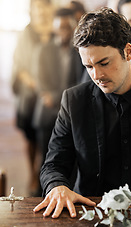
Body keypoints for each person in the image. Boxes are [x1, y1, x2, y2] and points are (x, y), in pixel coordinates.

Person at [33, 7, 131, 219]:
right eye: (88, 66)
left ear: (128, 52)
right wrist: (57, 186)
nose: (96, 75)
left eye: (104, 63)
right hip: (92, 214)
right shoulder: (74, 101)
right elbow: (53, 164)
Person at [11, 0, 54, 195]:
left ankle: (44, 172)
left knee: (48, 139)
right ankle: (32, 174)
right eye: (38, 8)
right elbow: (19, 66)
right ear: (33, 10)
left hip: (53, 93)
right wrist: (39, 87)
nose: (42, 12)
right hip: (32, 93)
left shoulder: (55, 29)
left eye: (45, 8)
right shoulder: (26, 33)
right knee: (31, 137)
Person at [33, 7, 84, 170]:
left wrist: (59, 98)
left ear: (74, 26)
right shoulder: (43, 49)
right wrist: (53, 97)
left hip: (72, 110)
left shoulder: (79, 51)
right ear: (54, 27)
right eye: (61, 27)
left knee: (70, 158)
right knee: (46, 156)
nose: (64, 31)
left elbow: (81, 81)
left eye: (68, 27)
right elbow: (40, 80)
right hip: (48, 110)